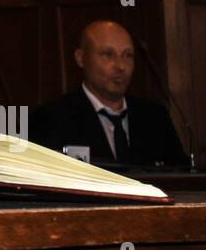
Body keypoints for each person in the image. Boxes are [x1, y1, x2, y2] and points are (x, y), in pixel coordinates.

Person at [32, 20, 188, 168]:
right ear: (81, 58)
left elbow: (182, 178)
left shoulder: (155, 118)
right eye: (107, 54)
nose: (121, 66)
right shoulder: (52, 119)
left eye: (128, 55)